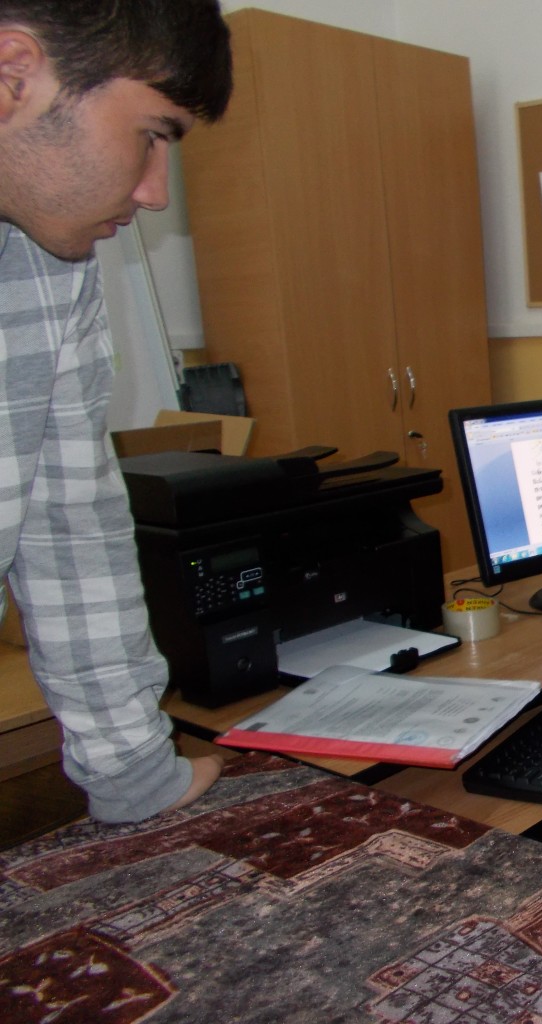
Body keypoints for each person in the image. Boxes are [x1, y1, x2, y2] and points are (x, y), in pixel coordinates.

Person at [0, 1, 233, 821]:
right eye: (152, 134)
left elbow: (70, 528)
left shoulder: (47, 259)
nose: (155, 193)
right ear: (13, 74)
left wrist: (136, 775)